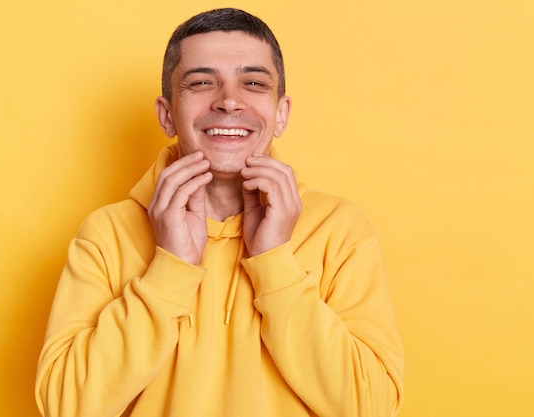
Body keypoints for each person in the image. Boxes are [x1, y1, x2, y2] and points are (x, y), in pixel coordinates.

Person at [35, 7, 404, 417]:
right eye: (201, 82)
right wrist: (170, 269)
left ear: (280, 114)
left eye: (253, 82)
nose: (229, 101)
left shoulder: (340, 230)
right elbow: (65, 407)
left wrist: (275, 264)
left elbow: (372, 407)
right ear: (166, 113)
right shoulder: (107, 233)